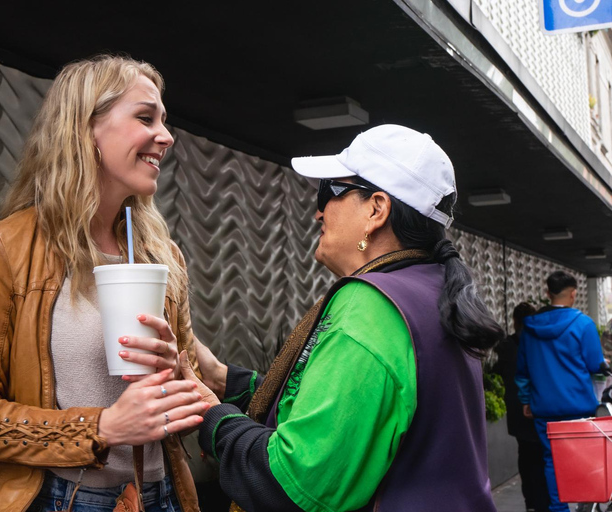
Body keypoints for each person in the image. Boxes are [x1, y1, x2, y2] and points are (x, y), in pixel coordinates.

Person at [180, 124, 505, 511]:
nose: (318, 211)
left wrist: (213, 418)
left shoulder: (370, 305)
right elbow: (346, 411)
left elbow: (298, 484)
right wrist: (223, 378)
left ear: (376, 210)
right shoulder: (430, 291)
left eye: (330, 191)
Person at [0, 54, 207, 512]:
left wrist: (177, 376)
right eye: (146, 117)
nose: (166, 136)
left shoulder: (164, 255)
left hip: (160, 494)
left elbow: (188, 408)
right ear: (86, 129)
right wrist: (100, 428)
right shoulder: (3, 247)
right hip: (62, 498)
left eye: (164, 120)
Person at [516, 270, 607, 512]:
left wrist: (526, 400)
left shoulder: (529, 328)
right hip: (580, 408)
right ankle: (585, 506)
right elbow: (595, 366)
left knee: (552, 460)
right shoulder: (584, 325)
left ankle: (559, 509)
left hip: (544, 408)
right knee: (585, 459)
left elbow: (522, 371)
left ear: (548, 294)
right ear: (574, 294)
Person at [493, 301, 549, 512]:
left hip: (517, 409)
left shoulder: (506, 346)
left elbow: (498, 371)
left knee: (526, 457)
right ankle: (543, 501)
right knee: (543, 457)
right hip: (539, 407)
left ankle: (531, 503)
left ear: (515, 321)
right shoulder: (540, 344)